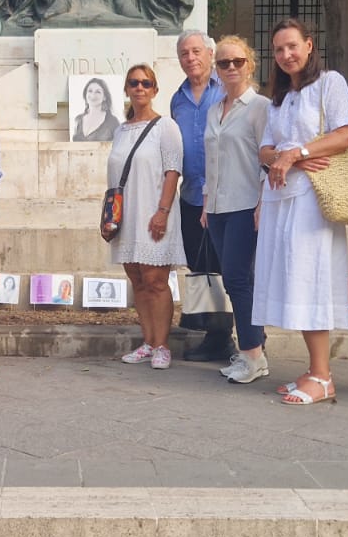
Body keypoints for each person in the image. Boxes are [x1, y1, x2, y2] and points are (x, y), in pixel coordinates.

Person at [252, 17, 348, 406]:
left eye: (292, 46)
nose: (286, 55)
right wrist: (285, 158)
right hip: (281, 198)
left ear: (310, 45)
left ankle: (323, 376)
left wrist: (297, 153)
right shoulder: (280, 98)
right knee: (292, 280)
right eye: (279, 49)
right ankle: (314, 369)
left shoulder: (329, 83)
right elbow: (264, 150)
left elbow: (344, 134)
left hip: (313, 199)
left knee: (311, 279)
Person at [107, 62, 186, 369]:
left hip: (154, 210)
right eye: (134, 83)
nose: (139, 88)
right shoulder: (120, 130)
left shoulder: (166, 126)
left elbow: (172, 170)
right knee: (137, 279)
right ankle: (148, 341)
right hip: (126, 214)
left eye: (145, 83)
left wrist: (162, 211)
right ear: (126, 89)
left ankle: (162, 344)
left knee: (156, 280)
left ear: (154, 90)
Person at [202, 34, 270, 384]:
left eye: (237, 61)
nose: (231, 67)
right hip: (217, 206)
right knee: (236, 280)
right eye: (223, 62)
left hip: (245, 204)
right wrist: (205, 201)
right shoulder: (214, 110)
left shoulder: (260, 107)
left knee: (238, 279)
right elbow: (211, 160)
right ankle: (253, 353)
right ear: (216, 68)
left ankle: (253, 355)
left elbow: (267, 158)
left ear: (250, 65)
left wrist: (262, 201)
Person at [170, 29, 232, 362]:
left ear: (210, 53)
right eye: (184, 53)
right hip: (192, 197)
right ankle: (216, 337)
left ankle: (250, 339)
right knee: (201, 267)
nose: (190, 58)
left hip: (226, 197)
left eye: (196, 51)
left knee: (230, 269)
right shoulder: (177, 99)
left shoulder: (226, 90)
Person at [72, 77, 119, 142]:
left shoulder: (113, 122)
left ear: (104, 97)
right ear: (85, 94)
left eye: (98, 92)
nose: (93, 95)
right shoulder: (78, 120)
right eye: (90, 91)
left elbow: (120, 145)